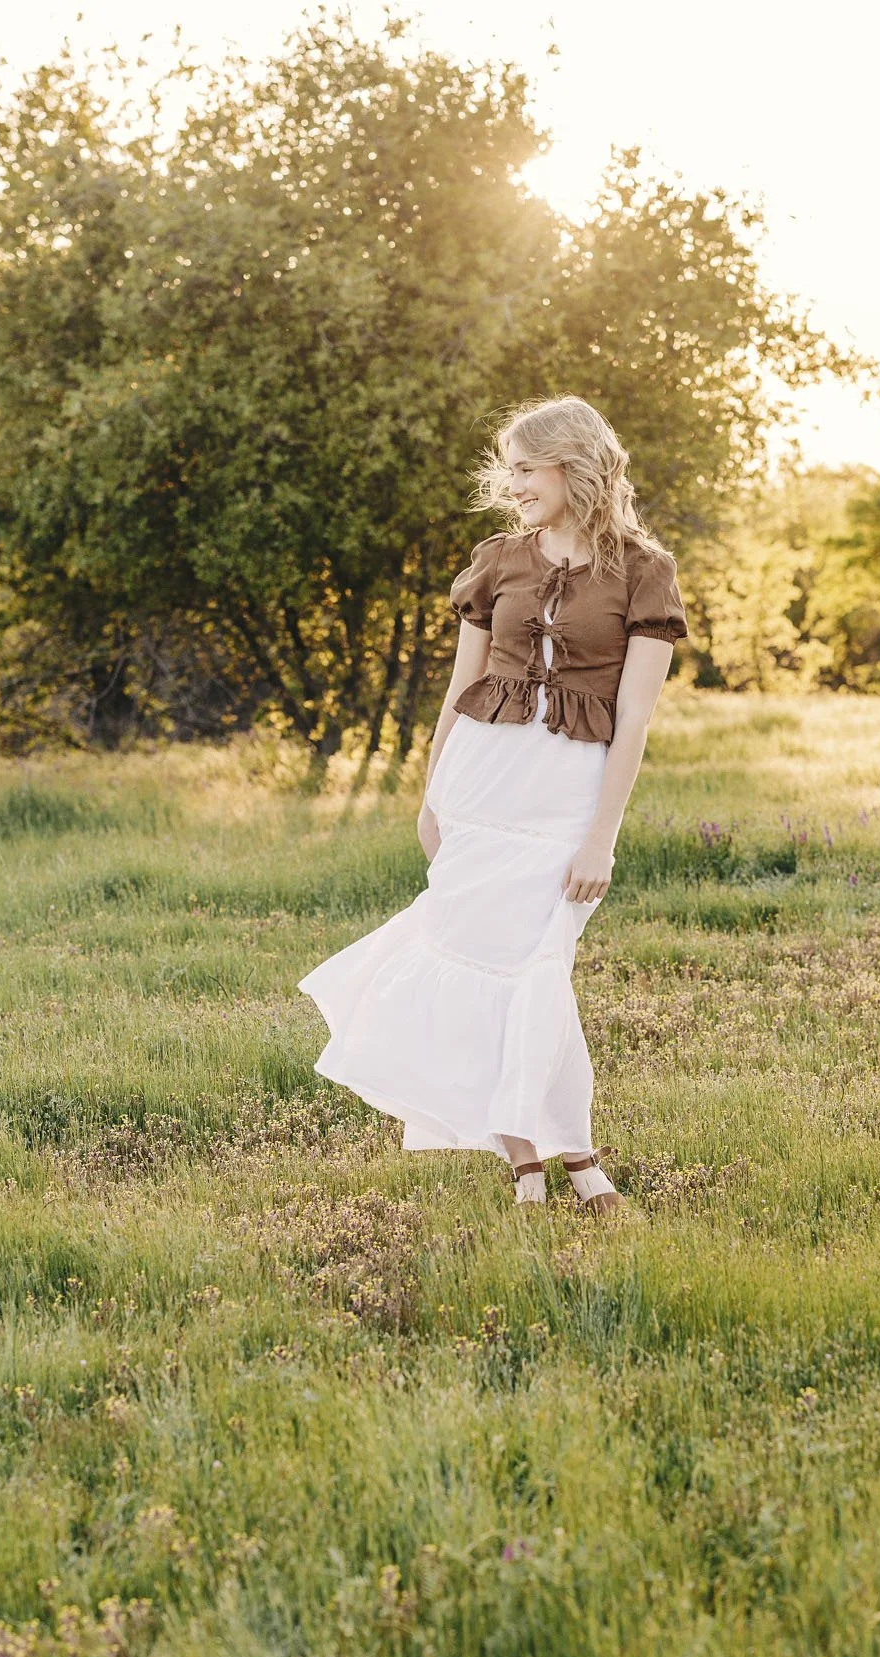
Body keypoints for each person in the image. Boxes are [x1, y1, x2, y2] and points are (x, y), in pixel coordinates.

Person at [299, 397, 688, 1211]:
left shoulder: (644, 572)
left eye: (525, 468)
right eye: (507, 469)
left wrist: (601, 839)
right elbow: (460, 686)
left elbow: (637, 717)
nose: (512, 485)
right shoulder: (499, 560)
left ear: (573, 465)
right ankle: (536, 1166)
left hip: (564, 803)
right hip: (482, 786)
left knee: (538, 966)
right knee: (490, 964)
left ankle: (568, 1156)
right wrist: (433, 792)